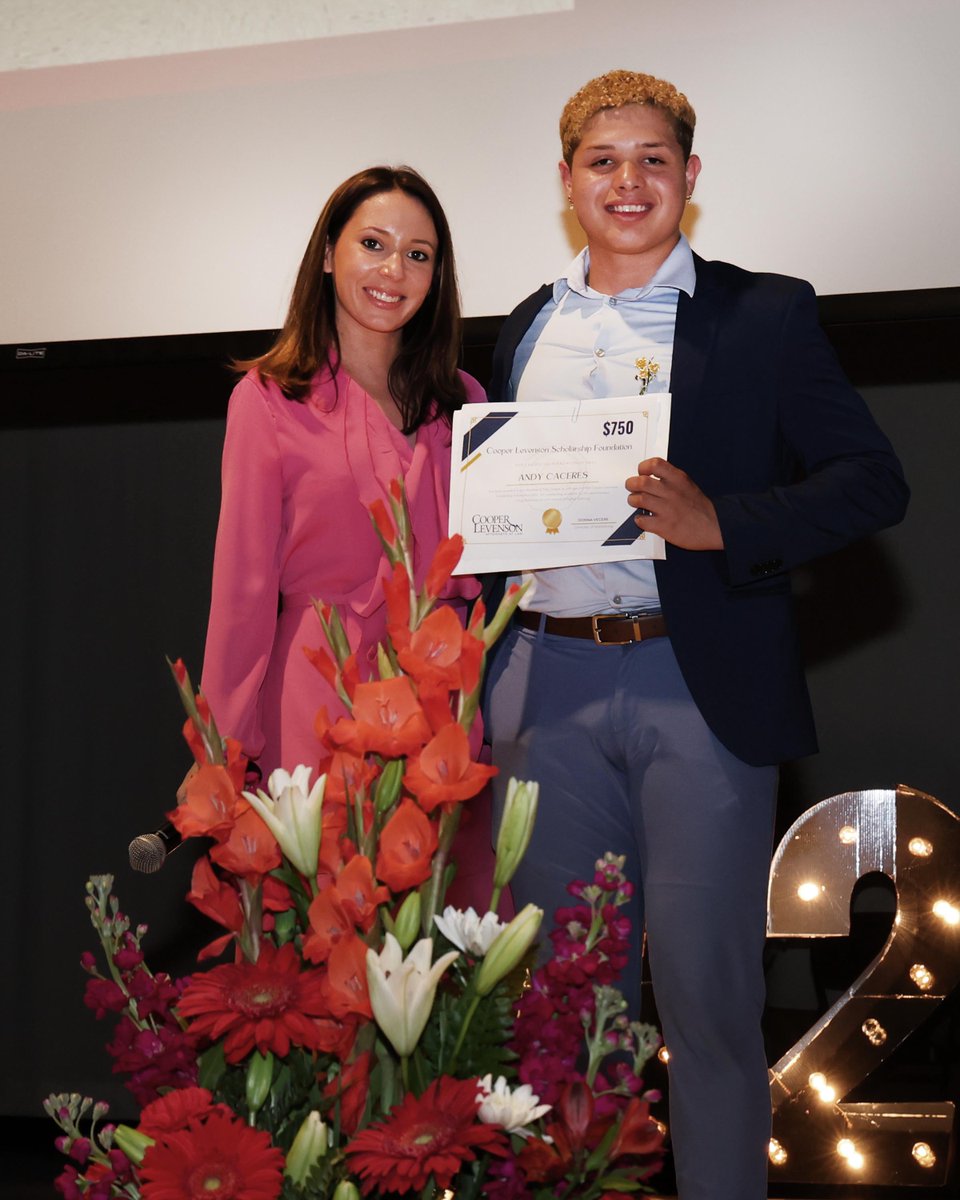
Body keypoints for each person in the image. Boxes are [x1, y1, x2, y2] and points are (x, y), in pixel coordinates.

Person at [482, 70, 909, 1200]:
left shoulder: (761, 312)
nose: (630, 182)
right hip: (543, 689)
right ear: (567, 182)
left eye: (653, 160)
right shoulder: (527, 326)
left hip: (695, 683)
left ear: (691, 177)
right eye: (604, 162)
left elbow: (874, 481)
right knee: (564, 1014)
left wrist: (726, 522)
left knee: (712, 1008)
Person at [198, 166, 481, 785]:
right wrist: (225, 746)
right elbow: (241, 591)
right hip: (314, 695)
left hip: (442, 705)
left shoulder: (466, 402)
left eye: (417, 255)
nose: (393, 271)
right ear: (329, 254)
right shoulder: (268, 398)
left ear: (436, 278)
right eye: (372, 244)